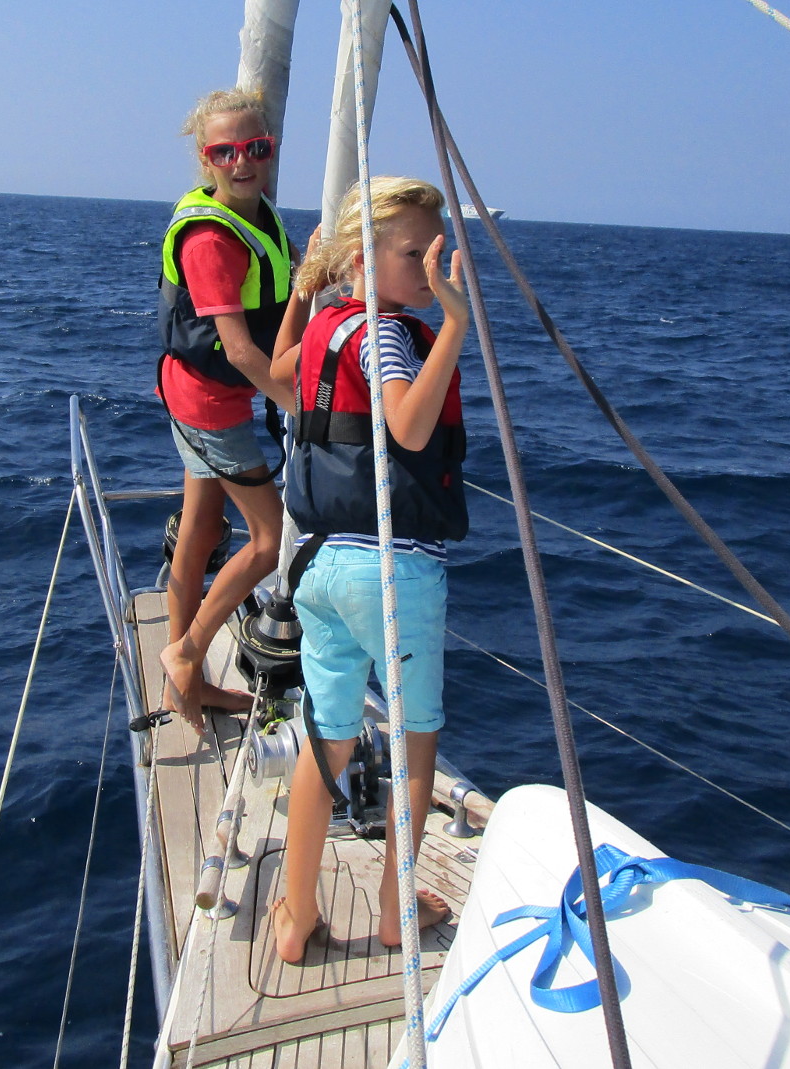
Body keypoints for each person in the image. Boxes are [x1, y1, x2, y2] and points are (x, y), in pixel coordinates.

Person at [268, 177, 470, 963]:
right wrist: (453, 323)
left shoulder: (330, 325)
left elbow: (283, 372)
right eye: (416, 253)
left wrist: (304, 286)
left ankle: (295, 915)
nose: (431, 266)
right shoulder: (387, 334)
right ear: (366, 257)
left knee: (328, 738)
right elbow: (410, 427)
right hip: (393, 573)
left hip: (318, 565)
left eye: (437, 251)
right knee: (417, 744)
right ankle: (394, 910)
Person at [156, 88, 313, 734]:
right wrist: (300, 408)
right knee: (270, 539)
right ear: (205, 159)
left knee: (200, 526)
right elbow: (245, 350)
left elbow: (286, 281)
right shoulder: (212, 242)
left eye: (256, 147)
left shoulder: (258, 214)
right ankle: (186, 652)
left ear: (270, 151)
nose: (242, 161)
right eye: (226, 151)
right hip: (211, 403)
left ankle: (182, 689)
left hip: (188, 391)